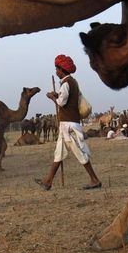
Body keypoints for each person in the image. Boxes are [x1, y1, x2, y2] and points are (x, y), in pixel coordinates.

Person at [35, 54, 102, 190]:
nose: (56, 72)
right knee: (58, 153)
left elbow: (62, 102)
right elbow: (66, 99)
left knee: (80, 153)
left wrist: (52, 97)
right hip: (67, 124)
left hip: (69, 125)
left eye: (57, 69)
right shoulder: (72, 82)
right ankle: (48, 181)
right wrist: (56, 95)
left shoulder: (66, 84)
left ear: (61, 69)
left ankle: (95, 180)